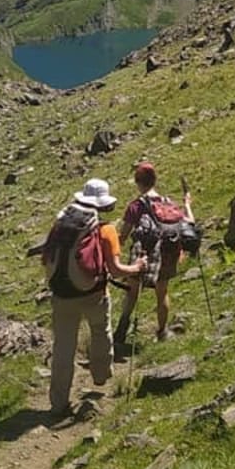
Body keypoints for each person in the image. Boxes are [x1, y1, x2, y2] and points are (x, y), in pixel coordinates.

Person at [45, 178, 142, 419]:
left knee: (63, 348)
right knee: (100, 330)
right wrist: (137, 267)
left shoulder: (60, 224)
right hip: (94, 293)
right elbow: (116, 268)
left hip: (61, 294)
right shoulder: (106, 229)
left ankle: (58, 404)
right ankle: (100, 377)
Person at [116, 160, 195, 349]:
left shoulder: (136, 206)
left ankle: (120, 333)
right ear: (154, 181)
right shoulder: (167, 203)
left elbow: (124, 235)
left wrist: (113, 253)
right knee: (162, 292)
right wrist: (187, 204)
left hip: (144, 254)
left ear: (138, 182)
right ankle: (162, 332)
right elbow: (189, 222)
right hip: (168, 252)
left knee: (133, 292)